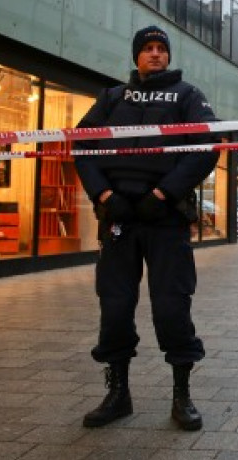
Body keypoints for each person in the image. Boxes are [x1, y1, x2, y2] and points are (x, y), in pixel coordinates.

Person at [74, 25, 219, 431]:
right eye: (147, 49)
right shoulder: (112, 97)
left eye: (161, 49)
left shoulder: (187, 96)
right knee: (115, 306)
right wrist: (104, 196)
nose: (155, 55)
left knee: (172, 306)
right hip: (118, 217)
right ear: (136, 55)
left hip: (165, 220)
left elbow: (205, 147)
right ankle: (118, 394)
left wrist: (163, 195)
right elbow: (81, 146)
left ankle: (182, 396)